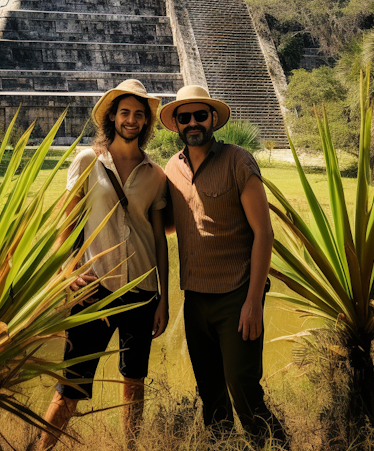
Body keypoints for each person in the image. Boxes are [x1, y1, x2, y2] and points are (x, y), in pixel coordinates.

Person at [33, 79, 169, 450]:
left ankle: (130, 448)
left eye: (139, 115)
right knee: (71, 386)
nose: (131, 120)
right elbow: (68, 222)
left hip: (141, 291)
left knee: (134, 382)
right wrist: (67, 272)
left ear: (146, 123)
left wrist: (164, 300)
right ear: (112, 116)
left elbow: (159, 240)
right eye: (125, 112)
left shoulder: (155, 174)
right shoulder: (88, 160)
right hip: (94, 288)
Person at [161, 84, 289, 448]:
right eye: (184, 118)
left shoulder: (238, 160)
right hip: (195, 298)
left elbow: (264, 233)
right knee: (211, 395)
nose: (192, 123)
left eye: (200, 115)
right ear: (176, 125)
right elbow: (172, 223)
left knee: (244, 391)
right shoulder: (173, 167)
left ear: (213, 118)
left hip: (236, 296)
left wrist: (253, 301)